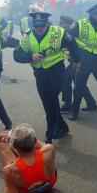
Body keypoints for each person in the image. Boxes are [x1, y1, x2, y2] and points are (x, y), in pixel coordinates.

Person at [14, 11, 80, 142]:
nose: (39, 29)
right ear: (34, 25)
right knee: (48, 104)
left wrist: (76, 61)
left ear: (46, 23)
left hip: (57, 71)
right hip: (40, 74)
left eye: (42, 26)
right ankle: (62, 127)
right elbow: (16, 55)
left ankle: (49, 135)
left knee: (51, 102)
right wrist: (30, 57)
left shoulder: (58, 32)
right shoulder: (28, 36)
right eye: (37, 27)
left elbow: (73, 45)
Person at [59, 15, 95, 113]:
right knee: (79, 83)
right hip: (77, 61)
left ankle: (67, 104)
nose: (60, 25)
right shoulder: (67, 32)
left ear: (68, 24)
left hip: (79, 61)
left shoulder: (72, 33)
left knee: (66, 80)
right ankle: (91, 103)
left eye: (62, 23)